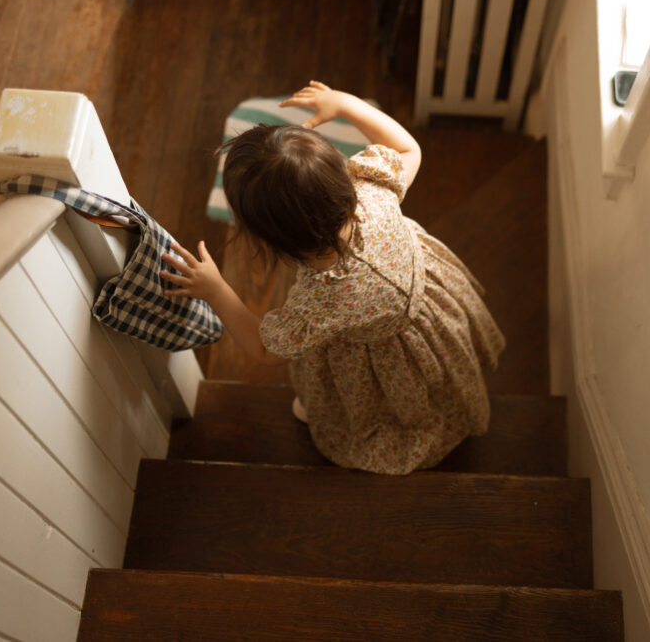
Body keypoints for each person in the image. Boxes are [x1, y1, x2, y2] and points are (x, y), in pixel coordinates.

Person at [160, 81, 505, 474]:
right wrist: (348, 105)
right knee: (433, 381)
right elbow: (410, 148)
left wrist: (215, 289)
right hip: (430, 317)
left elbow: (264, 349)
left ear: (271, 239)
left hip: (383, 355)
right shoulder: (374, 189)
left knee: (385, 399)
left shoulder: (320, 300)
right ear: (341, 172)